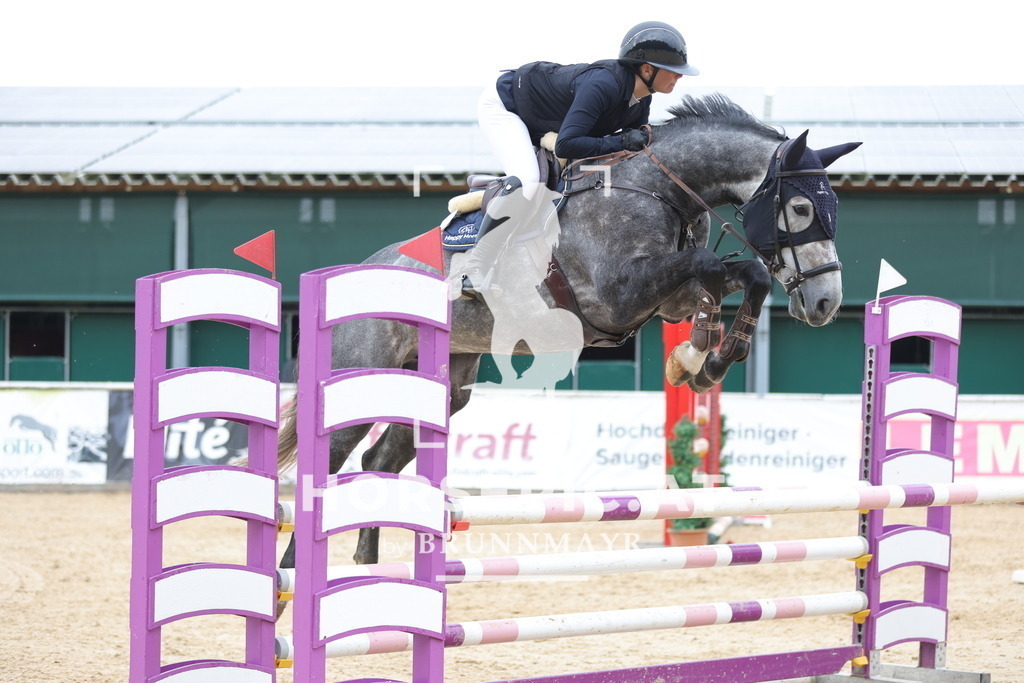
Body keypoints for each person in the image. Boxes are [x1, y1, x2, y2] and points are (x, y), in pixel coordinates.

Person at [458, 21, 699, 300]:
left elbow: (627, 154)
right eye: (674, 72)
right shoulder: (603, 84)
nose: (679, 78)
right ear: (647, 70)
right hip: (506, 106)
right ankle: (473, 272)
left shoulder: (642, 98)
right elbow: (567, 144)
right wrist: (620, 141)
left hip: (545, 117)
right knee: (529, 181)